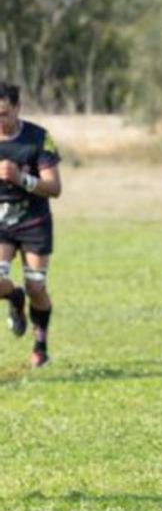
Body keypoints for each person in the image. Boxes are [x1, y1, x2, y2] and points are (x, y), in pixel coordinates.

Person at [0, 81, 62, 367]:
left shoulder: (38, 138)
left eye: (3, 113)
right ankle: (14, 297)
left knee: (37, 287)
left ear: (17, 109)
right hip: (1, 224)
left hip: (34, 221)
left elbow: (54, 187)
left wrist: (21, 179)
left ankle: (40, 347)